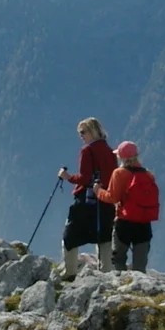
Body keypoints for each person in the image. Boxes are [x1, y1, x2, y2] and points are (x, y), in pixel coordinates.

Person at [58, 117, 118, 276]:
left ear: (93, 131)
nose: (81, 136)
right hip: (105, 199)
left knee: (69, 236)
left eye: (83, 132)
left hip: (86, 200)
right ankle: (106, 273)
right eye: (79, 133)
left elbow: (84, 179)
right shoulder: (110, 151)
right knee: (104, 236)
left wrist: (67, 176)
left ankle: (70, 272)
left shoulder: (87, 151)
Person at [96, 141, 160, 271]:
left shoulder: (119, 173)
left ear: (121, 157)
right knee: (140, 263)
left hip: (124, 222)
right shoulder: (148, 174)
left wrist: (98, 191)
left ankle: (120, 285)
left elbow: (112, 197)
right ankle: (139, 287)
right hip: (144, 223)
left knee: (118, 258)